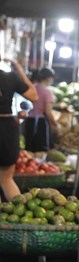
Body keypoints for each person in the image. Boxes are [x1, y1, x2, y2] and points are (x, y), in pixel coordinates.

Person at [0, 57, 38, 200]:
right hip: (7, 128)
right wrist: (19, 70)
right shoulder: (10, 77)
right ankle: (16, 216)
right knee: (6, 179)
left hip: (8, 125)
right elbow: (34, 95)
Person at [24, 68, 58, 154]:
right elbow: (47, 111)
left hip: (28, 121)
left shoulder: (32, 88)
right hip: (40, 123)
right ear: (49, 78)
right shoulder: (47, 92)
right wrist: (54, 122)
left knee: (29, 149)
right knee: (40, 150)